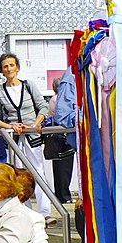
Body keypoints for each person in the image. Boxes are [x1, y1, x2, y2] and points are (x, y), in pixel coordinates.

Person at [45, 65, 77, 203]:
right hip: (62, 136)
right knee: (65, 168)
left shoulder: (53, 99)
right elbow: (62, 116)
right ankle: (64, 195)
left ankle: (61, 195)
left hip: (57, 136)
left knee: (59, 169)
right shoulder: (57, 100)